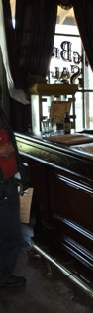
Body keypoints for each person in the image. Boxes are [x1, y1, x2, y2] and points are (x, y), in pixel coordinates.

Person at [0, 107, 30, 288]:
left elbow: (12, 146)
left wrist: (20, 176)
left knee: (12, 235)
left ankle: (4, 275)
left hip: (9, 182)